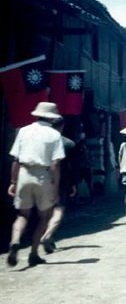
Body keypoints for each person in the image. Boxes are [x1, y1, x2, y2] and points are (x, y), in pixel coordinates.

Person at [6, 102, 65, 267]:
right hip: (43, 176)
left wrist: (13, 182)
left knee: (22, 215)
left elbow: (16, 160)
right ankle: (33, 253)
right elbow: (55, 165)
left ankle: (15, 240)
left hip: (24, 173)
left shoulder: (24, 131)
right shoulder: (54, 136)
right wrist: (55, 188)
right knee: (43, 217)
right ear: (52, 118)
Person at [39, 117, 77, 254]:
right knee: (59, 210)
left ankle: (49, 237)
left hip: (43, 179)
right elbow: (73, 167)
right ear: (62, 126)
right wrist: (73, 184)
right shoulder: (69, 144)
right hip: (62, 181)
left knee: (46, 211)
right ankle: (48, 236)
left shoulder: (42, 142)